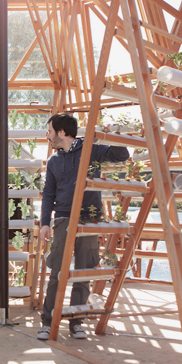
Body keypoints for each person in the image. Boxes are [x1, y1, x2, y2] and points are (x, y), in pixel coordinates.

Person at [38, 113, 130, 339]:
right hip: (62, 220)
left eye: (49, 131)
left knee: (83, 272)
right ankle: (48, 322)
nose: (47, 135)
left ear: (61, 132)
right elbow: (49, 194)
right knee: (57, 273)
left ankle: (76, 321)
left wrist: (113, 132)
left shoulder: (92, 150)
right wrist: (44, 223)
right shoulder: (53, 161)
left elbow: (122, 155)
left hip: (89, 219)